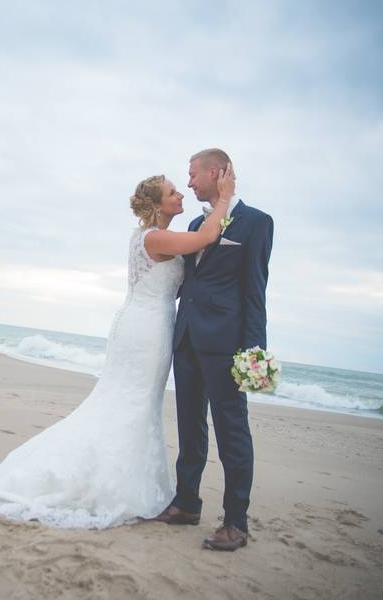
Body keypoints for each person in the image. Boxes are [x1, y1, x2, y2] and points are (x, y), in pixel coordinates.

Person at [0, 168, 237, 529]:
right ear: (157, 203)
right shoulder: (153, 237)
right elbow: (204, 238)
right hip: (143, 331)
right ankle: (98, 481)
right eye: (173, 192)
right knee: (128, 401)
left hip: (150, 326)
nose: (180, 194)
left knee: (135, 402)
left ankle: (119, 476)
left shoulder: (152, 235)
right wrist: (224, 197)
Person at [153, 148, 273, 552]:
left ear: (216, 173)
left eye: (192, 175)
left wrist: (255, 357)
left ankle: (236, 524)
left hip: (225, 347)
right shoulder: (194, 222)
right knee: (190, 426)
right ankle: (187, 503)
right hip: (186, 340)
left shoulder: (257, 223)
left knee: (232, 432)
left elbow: (255, 294)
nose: (188, 183)